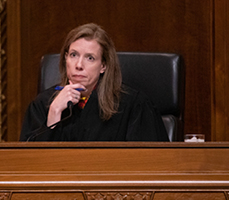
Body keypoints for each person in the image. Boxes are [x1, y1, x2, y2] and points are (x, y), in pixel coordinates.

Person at [20, 23, 169, 142]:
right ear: (65, 58)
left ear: (103, 65)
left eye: (90, 58)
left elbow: (151, 164)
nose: (79, 65)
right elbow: (30, 165)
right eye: (73, 55)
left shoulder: (133, 106)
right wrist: (54, 112)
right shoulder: (42, 105)